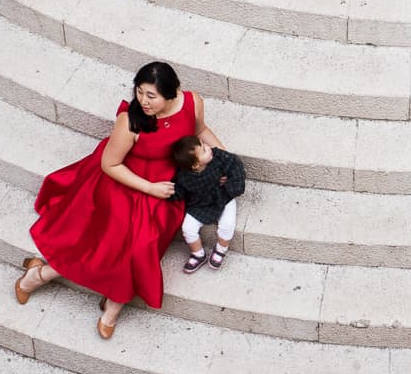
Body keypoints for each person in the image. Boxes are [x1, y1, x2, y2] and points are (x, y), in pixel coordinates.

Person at [13, 62, 225, 339]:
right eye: (140, 92)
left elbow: (199, 131)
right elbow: (110, 165)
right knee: (118, 243)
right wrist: (149, 188)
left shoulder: (192, 102)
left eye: (152, 96)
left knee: (141, 246)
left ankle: (111, 301)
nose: (143, 101)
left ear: (172, 93)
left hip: (166, 188)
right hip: (128, 181)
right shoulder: (130, 120)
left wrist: (223, 160)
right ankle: (46, 277)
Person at [169, 135, 246, 273]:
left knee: (227, 225)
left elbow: (236, 167)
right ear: (195, 165)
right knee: (188, 228)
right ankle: (198, 254)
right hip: (200, 203)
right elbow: (180, 190)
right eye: (204, 150)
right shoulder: (184, 176)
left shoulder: (220, 158)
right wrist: (170, 193)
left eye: (204, 144)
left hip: (223, 196)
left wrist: (231, 184)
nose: (208, 148)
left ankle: (221, 248)